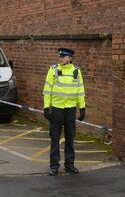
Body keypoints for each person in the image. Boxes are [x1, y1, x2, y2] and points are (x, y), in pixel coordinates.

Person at [42, 47, 86, 176]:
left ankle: (69, 164)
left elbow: (80, 90)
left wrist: (82, 108)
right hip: (57, 108)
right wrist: (46, 107)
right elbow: (47, 90)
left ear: (70, 58)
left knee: (70, 138)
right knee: (55, 138)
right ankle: (54, 166)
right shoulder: (53, 70)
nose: (60, 58)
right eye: (60, 56)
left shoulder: (76, 71)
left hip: (70, 109)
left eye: (63, 56)